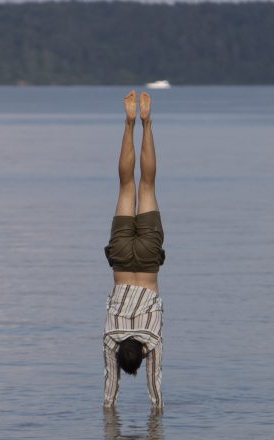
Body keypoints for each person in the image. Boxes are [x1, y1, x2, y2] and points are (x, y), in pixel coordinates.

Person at [103, 91, 165, 409]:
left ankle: (146, 122)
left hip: (150, 261)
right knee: (127, 185)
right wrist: (108, 404)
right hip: (122, 260)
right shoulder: (111, 337)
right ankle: (131, 124)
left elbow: (155, 388)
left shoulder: (151, 339)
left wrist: (157, 408)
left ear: (141, 353)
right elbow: (108, 390)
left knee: (147, 185)